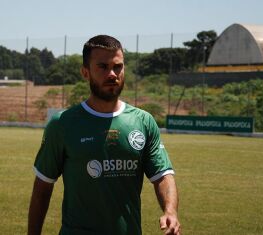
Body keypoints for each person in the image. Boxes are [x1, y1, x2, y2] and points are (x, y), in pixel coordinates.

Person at [28, 35, 181, 235]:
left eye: (117, 66)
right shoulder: (63, 124)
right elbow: (42, 188)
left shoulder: (143, 122)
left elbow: (162, 175)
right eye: (102, 66)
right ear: (85, 72)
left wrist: (170, 211)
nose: (112, 74)